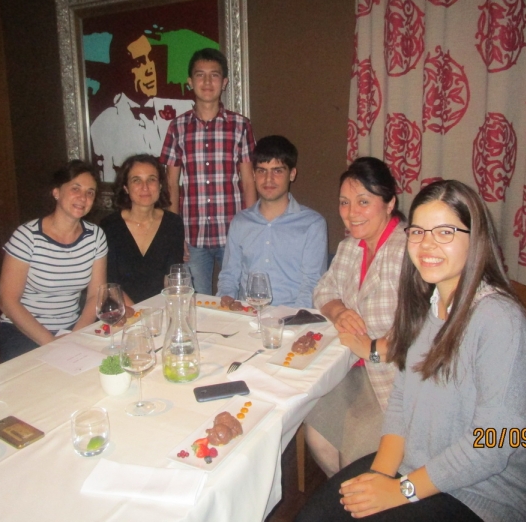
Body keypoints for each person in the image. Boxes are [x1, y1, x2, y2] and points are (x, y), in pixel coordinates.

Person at [298, 180, 526, 521]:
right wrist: (380, 474)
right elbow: (401, 401)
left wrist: (402, 490)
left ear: (475, 238)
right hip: (418, 468)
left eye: (445, 232)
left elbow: (495, 443)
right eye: (418, 232)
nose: (427, 244)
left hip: (483, 496)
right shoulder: (426, 308)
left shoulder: (499, 321)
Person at [304, 157, 406, 477]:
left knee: (354, 456)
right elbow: (323, 290)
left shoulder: (408, 251)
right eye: (344, 202)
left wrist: (371, 348)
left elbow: (421, 333)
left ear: (389, 202)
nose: (351, 212)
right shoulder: (351, 246)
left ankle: (358, 493)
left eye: (363, 201)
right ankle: (345, 496)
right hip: (353, 366)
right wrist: (339, 311)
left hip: (397, 379)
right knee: (316, 432)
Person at [160, 48, 257, 295]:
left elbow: (248, 181)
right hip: (193, 236)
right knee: (196, 303)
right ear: (190, 81)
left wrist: (251, 228)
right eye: (200, 75)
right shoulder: (177, 127)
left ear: (224, 82)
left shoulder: (240, 125)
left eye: (214, 75)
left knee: (236, 302)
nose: (207, 81)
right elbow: (171, 184)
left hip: (233, 233)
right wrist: (174, 234)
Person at [0, 160, 107, 362]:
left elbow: (95, 296)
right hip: (23, 331)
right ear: (56, 192)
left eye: (90, 192)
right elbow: (7, 301)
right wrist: (53, 343)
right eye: (76, 188)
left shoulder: (95, 236)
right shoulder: (27, 236)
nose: (83, 197)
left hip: (71, 329)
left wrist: (75, 337)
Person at [216, 135, 327, 308]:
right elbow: (229, 275)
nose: (268, 179)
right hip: (247, 314)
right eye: (262, 171)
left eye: (277, 171)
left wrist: (294, 318)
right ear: (253, 175)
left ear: (292, 174)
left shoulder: (312, 224)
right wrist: (226, 300)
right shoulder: (240, 222)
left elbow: (312, 284)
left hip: (292, 315)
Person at [90, 30, 194, 181]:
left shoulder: (185, 112)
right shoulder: (103, 125)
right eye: (139, 63)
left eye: (150, 58)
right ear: (122, 71)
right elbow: (108, 183)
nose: (149, 69)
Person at [100, 154, 184, 304]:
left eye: (151, 179)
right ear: (125, 187)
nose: (145, 187)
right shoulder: (109, 226)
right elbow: (110, 283)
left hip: (161, 308)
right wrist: (139, 314)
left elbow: (172, 279)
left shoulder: (173, 224)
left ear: (160, 185)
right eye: (136, 180)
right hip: (121, 310)